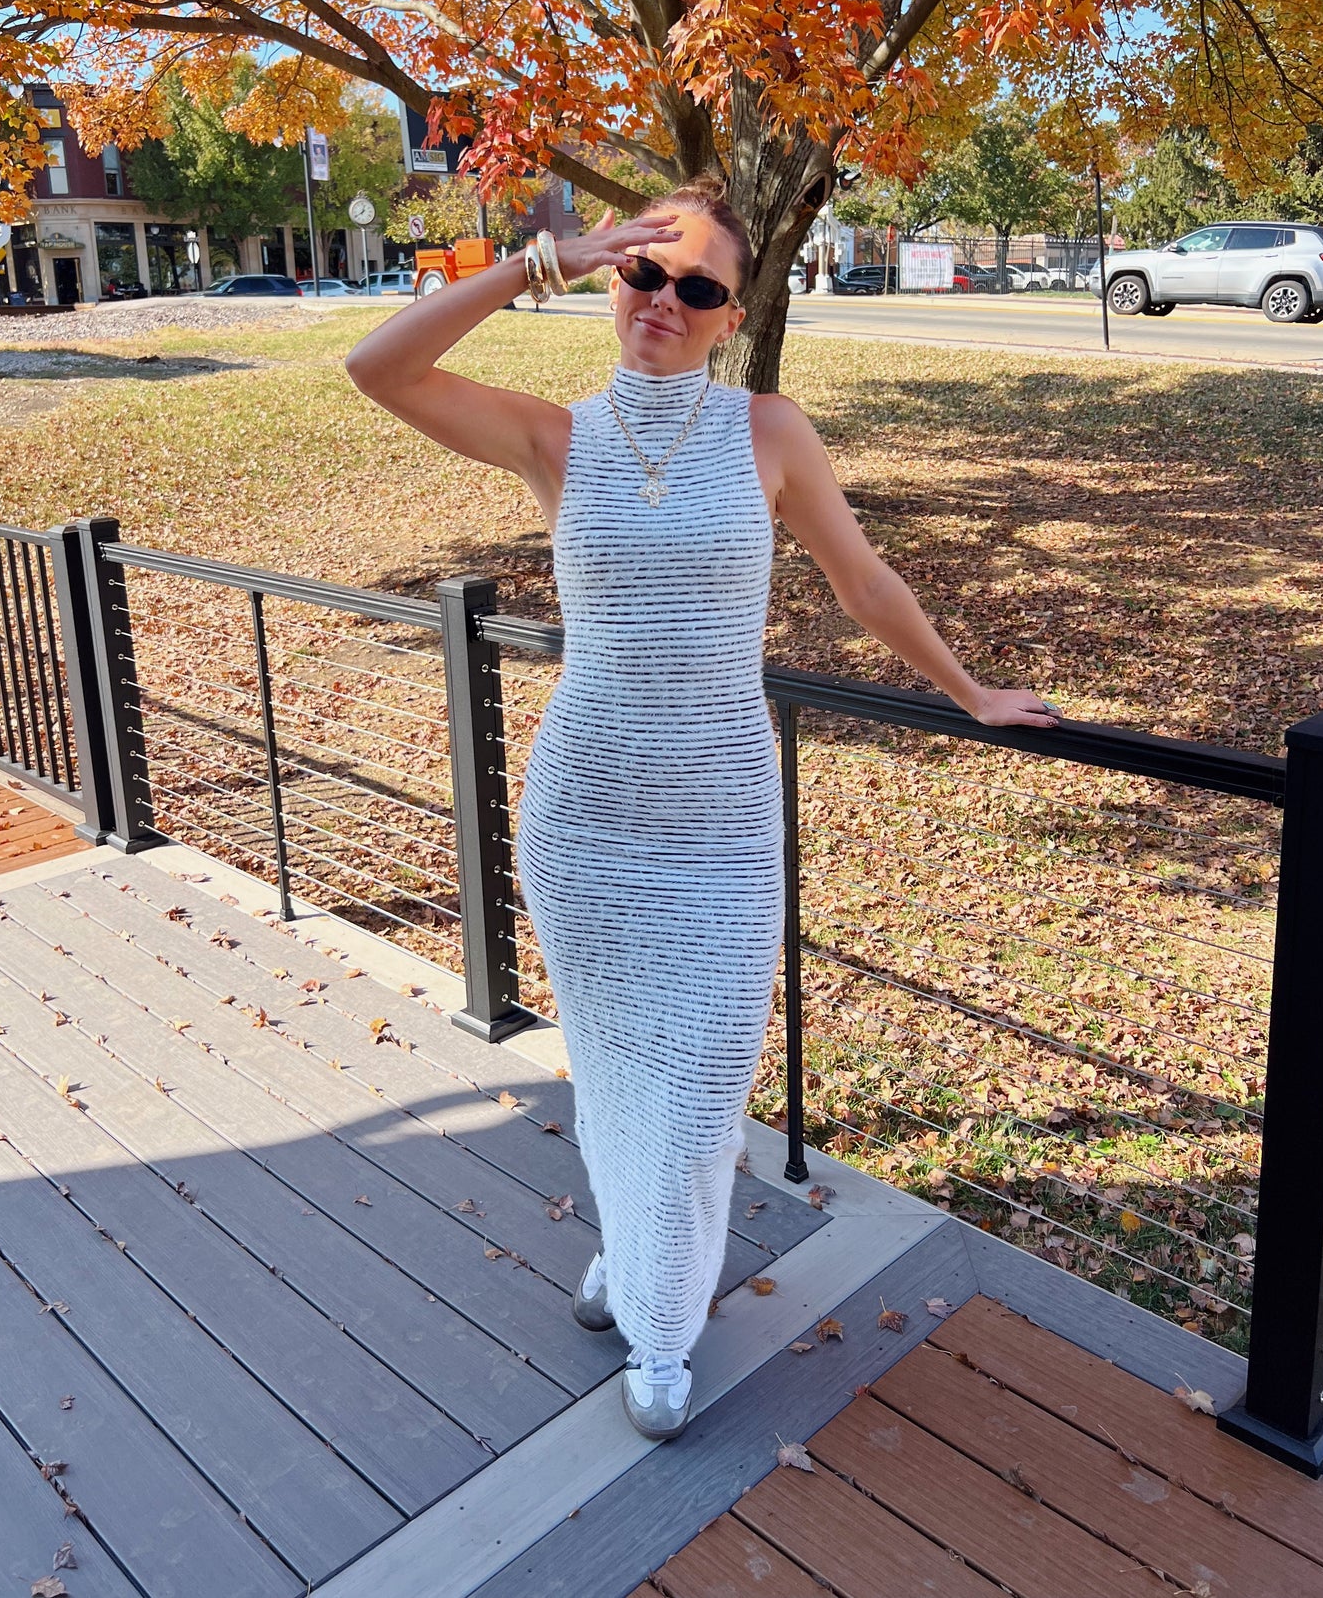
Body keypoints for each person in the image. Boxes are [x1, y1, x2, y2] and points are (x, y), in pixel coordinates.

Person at [344, 176, 1058, 1441]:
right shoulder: (553, 435)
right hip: (587, 820)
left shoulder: (769, 433)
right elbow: (377, 366)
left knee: (703, 1079)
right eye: (639, 272)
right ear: (609, 281)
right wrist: (539, 259)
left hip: (723, 820)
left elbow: (862, 578)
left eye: (695, 286)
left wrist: (970, 689)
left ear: (733, 313)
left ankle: (646, 1292)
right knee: (620, 1069)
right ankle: (651, 1310)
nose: (660, 300)